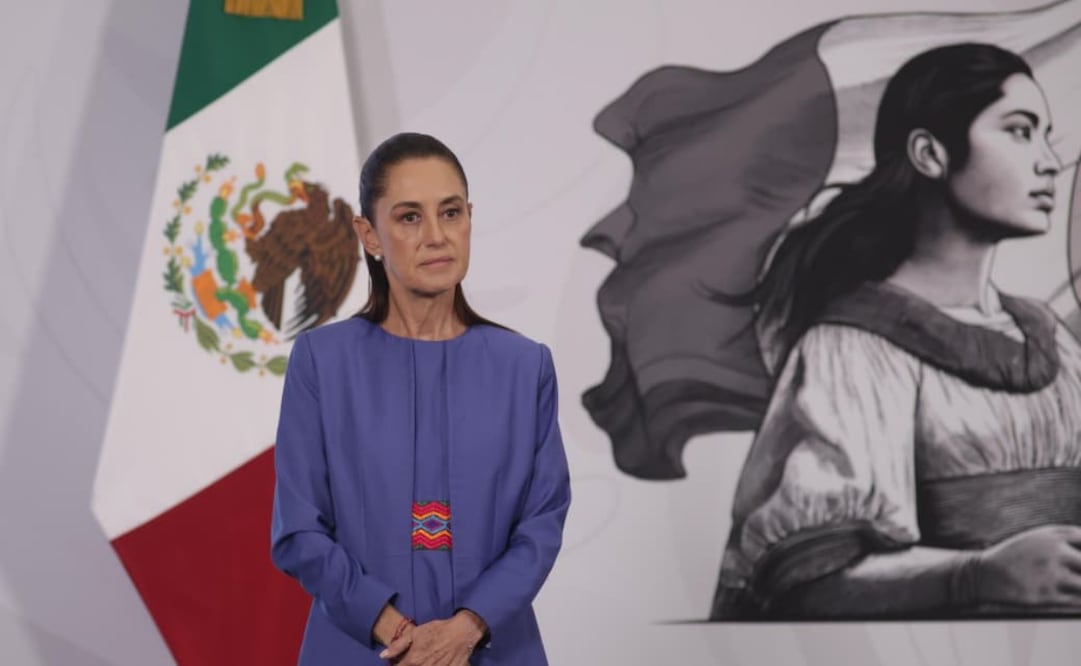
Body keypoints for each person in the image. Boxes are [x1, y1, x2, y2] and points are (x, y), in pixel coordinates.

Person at [711, 43, 1081, 619]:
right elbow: (804, 580)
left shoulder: (1052, 338)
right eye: (1019, 130)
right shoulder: (853, 347)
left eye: (1046, 134)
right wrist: (977, 575)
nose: (1049, 162)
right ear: (930, 154)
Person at [270, 132, 571, 663]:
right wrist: (391, 628)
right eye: (410, 217)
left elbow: (541, 525)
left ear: (470, 219)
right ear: (370, 234)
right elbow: (298, 529)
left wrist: (467, 628)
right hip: (360, 648)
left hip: (494, 648)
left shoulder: (525, 368)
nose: (437, 236)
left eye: (450, 213)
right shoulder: (322, 362)